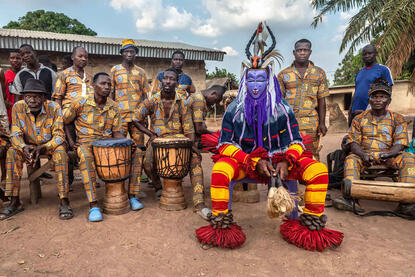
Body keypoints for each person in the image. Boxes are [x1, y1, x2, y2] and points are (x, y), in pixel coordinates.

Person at [196, 23, 343, 251]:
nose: (256, 86)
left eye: (260, 80)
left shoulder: (282, 108)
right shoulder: (234, 109)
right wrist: (250, 159)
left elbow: (295, 141)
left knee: (319, 171)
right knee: (219, 171)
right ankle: (221, 225)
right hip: (246, 162)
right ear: (245, 82)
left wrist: (286, 160)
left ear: (269, 82)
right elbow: (224, 144)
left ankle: (308, 228)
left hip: (281, 163)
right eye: (251, 80)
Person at [63, 72, 143, 222]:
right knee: (86, 158)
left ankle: (132, 196)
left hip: (107, 145)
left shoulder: (113, 106)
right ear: (93, 86)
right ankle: (93, 205)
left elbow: (117, 132)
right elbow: (65, 121)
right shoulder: (80, 103)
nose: (107, 87)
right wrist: (72, 143)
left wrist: (128, 142)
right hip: (86, 143)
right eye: (103, 84)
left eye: (109, 84)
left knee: (137, 152)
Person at [131, 68, 210, 219]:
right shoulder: (152, 100)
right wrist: (150, 134)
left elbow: (189, 128)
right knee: (147, 163)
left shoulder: (183, 102)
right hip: (157, 142)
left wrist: (192, 147)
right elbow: (135, 117)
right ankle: (158, 187)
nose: (168, 81)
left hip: (180, 141)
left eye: (172, 79)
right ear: (161, 81)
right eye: (165, 78)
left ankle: (199, 204)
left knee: (196, 163)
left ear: (176, 83)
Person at [333, 78, 415, 213]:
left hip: (390, 155)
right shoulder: (359, 119)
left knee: (409, 159)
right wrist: (363, 154)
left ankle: (407, 202)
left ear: (389, 100)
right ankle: (351, 199)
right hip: (364, 154)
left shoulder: (398, 119)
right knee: (351, 160)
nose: (378, 100)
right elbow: (353, 142)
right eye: (374, 96)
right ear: (369, 100)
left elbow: (400, 143)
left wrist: (389, 154)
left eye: (382, 97)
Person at [0, 79, 72, 220]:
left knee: (61, 155)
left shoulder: (54, 108)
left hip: (49, 145)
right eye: (28, 96)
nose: (32, 100)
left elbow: (59, 136)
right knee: (12, 152)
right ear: (24, 97)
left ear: (44, 97)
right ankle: (15, 201)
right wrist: (23, 147)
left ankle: (64, 200)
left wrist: (44, 147)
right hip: (28, 146)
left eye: (37, 96)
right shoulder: (17, 107)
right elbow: (15, 134)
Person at [278, 39, 329, 159]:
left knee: (311, 155)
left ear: (310, 52)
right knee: (288, 155)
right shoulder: (283, 74)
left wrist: (322, 123)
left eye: (305, 50)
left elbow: (322, 100)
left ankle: (311, 177)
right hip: (289, 123)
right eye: (299, 50)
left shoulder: (319, 73)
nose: (302, 53)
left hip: (311, 122)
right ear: (294, 52)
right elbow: (278, 102)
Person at [110, 39, 149, 184]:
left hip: (137, 118)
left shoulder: (141, 72)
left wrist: (145, 115)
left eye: (132, 51)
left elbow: (145, 95)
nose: (129, 54)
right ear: (122, 53)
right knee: (120, 146)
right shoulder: (115, 70)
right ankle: (120, 173)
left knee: (138, 147)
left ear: (135, 54)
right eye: (126, 51)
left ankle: (137, 176)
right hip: (120, 117)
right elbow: (111, 93)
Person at [53, 46, 93, 187]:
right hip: (68, 116)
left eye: (85, 57)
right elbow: (58, 98)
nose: (83, 59)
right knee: (70, 149)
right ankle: (68, 182)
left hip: (86, 118)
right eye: (80, 56)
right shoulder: (64, 75)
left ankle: (89, 178)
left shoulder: (89, 77)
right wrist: (58, 117)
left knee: (85, 148)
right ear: (72, 58)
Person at [349, 45, 394, 126]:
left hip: (373, 112)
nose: (367, 56)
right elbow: (356, 91)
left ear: (376, 53)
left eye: (369, 53)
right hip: (355, 112)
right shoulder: (359, 72)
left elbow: (388, 91)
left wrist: (373, 110)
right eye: (364, 54)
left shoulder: (383, 70)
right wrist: (350, 109)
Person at [0, 50, 23, 125]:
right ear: (9, 60)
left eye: (18, 58)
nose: (15, 60)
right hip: (9, 112)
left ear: (22, 59)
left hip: (24, 111)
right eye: (12, 58)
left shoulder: (25, 75)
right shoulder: (5, 76)